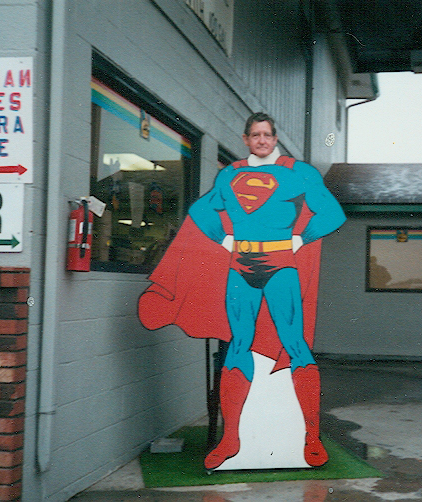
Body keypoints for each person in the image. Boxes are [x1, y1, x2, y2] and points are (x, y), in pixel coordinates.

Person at [139, 112, 345, 470]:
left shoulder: (298, 172)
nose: (261, 140)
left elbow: (331, 213)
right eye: (255, 135)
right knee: (238, 345)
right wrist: (223, 239)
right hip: (240, 268)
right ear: (246, 139)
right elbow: (202, 210)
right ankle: (230, 438)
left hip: (281, 268)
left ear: (275, 138)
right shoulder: (230, 174)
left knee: (295, 344)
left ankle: (311, 437)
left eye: (267, 135)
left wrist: (301, 239)